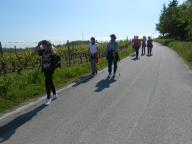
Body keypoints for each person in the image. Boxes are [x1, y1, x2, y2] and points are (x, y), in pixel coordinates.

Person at [35, 40, 58, 105]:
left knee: (47, 82)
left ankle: (48, 98)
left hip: (51, 69)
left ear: (47, 44)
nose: (43, 46)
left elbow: (53, 53)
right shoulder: (43, 51)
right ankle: (55, 94)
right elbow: (35, 52)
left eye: (44, 44)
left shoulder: (51, 49)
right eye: (42, 45)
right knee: (50, 81)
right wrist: (38, 45)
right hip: (45, 68)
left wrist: (50, 45)